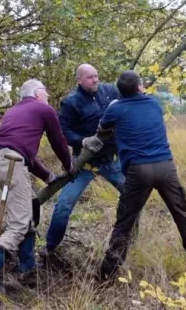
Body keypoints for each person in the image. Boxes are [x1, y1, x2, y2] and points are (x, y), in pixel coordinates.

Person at [97, 70, 186, 281]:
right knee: (183, 217)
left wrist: (114, 107)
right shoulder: (154, 104)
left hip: (138, 170)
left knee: (124, 223)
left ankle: (107, 274)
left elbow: (101, 127)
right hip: (165, 167)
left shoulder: (116, 109)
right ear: (140, 87)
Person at [0, 79, 73, 292]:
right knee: (18, 224)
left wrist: (48, 176)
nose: (48, 96)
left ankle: (27, 266)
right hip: (12, 163)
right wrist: (70, 166)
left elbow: (21, 150)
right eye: (45, 91)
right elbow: (58, 141)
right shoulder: (43, 108)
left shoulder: (14, 111)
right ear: (36, 93)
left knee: (29, 207)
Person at [43, 64, 135, 257]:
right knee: (63, 206)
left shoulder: (111, 91)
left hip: (112, 161)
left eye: (96, 76)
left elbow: (129, 104)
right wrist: (82, 140)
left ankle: (129, 239)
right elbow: (63, 131)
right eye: (90, 77)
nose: (95, 80)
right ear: (79, 80)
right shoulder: (71, 102)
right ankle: (50, 248)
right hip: (84, 163)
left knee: (134, 194)